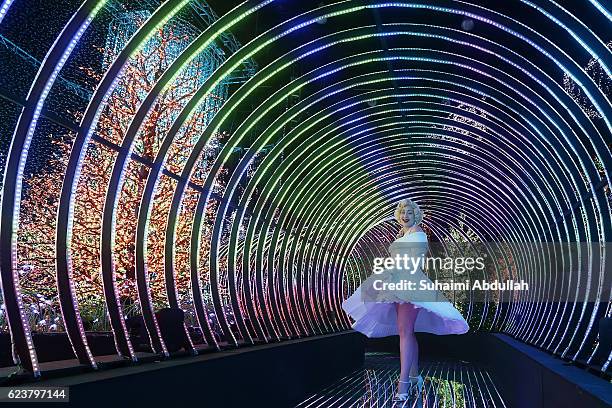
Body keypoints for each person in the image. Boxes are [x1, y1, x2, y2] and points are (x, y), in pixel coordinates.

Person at [342, 198, 469, 404]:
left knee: (405, 330)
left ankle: (404, 384)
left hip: (409, 283)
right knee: (405, 331)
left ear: (416, 214)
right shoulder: (404, 233)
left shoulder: (418, 234)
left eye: (409, 212)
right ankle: (414, 376)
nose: (405, 216)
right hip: (396, 281)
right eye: (402, 213)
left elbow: (412, 263)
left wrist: (391, 276)